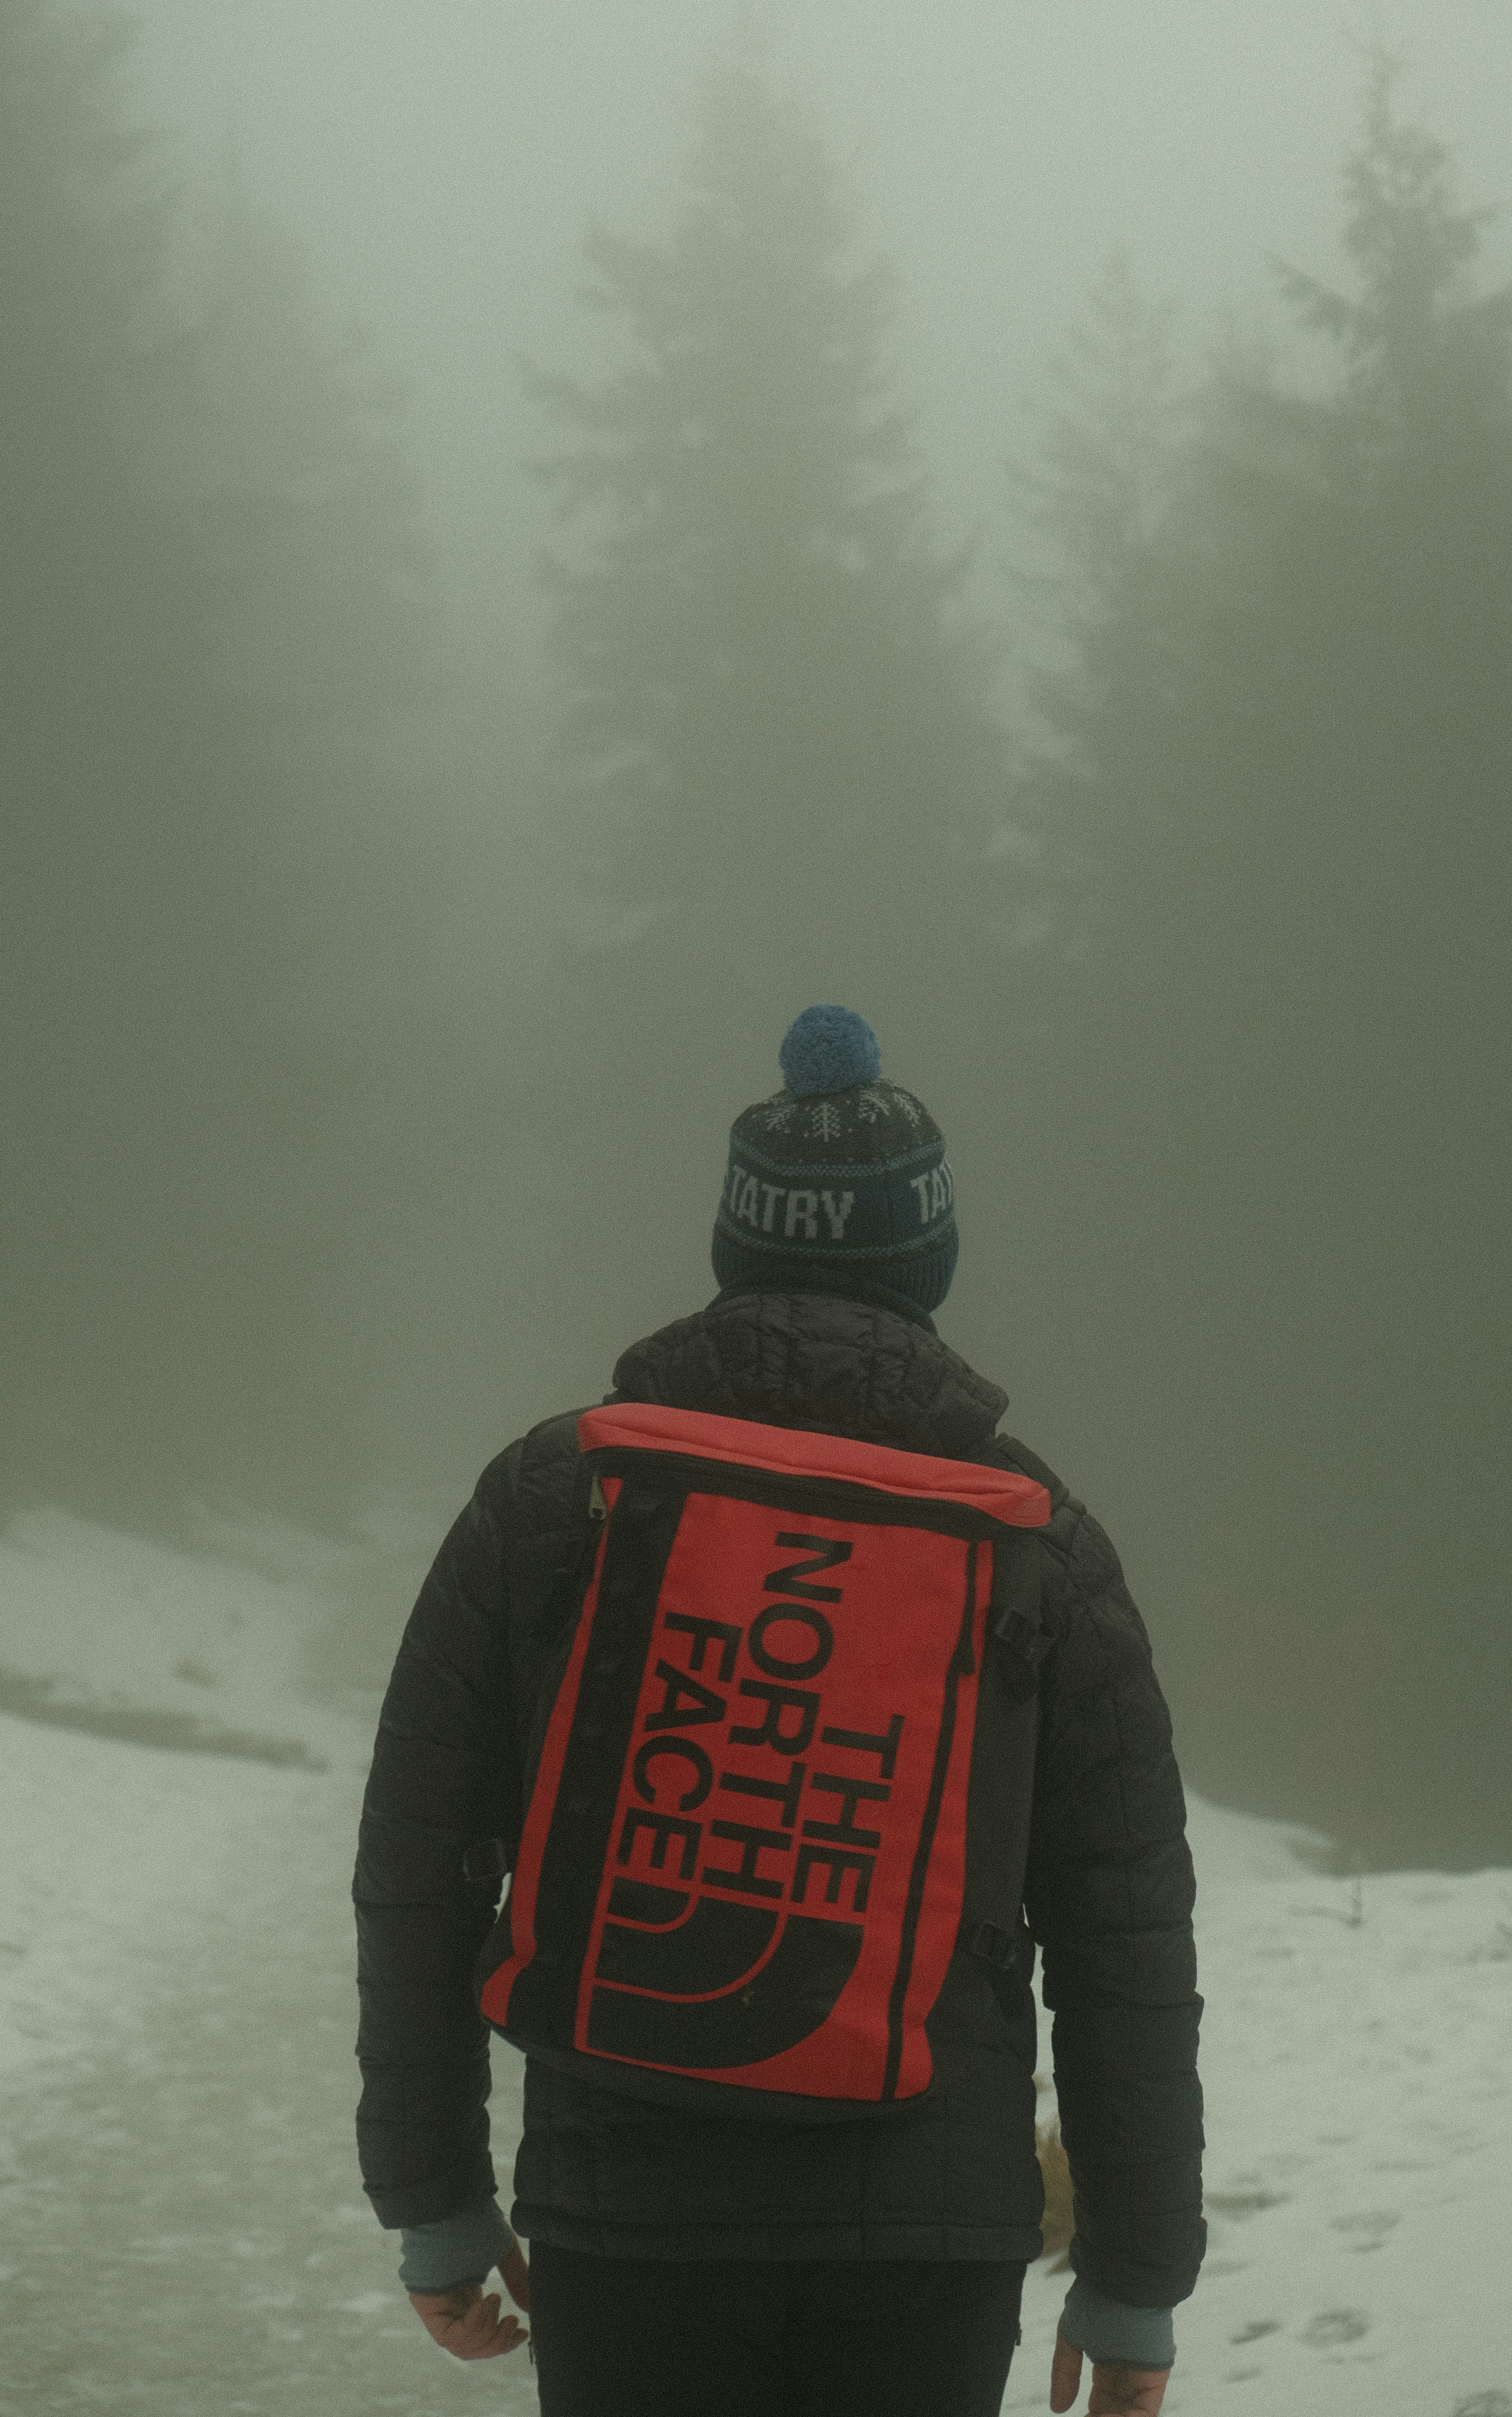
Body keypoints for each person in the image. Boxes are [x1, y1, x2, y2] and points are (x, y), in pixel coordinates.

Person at [353, 1007, 1204, 2417]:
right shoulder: (1042, 1550)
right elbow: (1124, 1939)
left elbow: (422, 1863)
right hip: (928, 2239)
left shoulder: (555, 1500)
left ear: (736, 1248)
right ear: (927, 1260)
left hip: (629, 2218)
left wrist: (432, 2201)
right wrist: (1136, 2281)